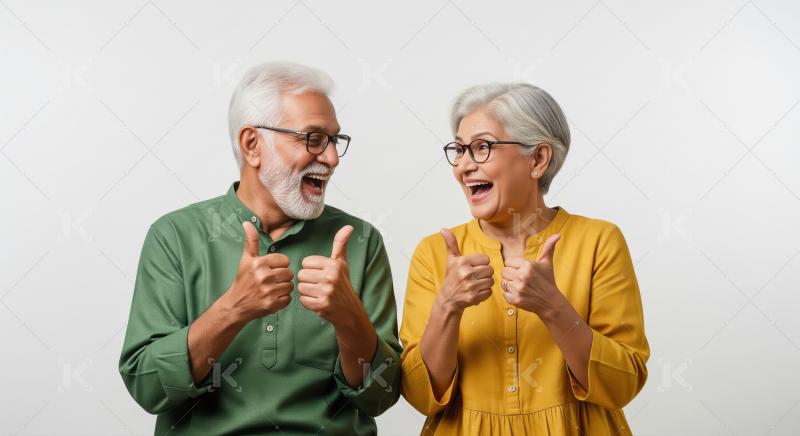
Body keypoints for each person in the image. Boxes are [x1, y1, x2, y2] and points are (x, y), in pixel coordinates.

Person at [119, 62, 401, 435]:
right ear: (253, 145)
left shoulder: (359, 241)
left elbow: (381, 396)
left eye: (335, 140)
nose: (331, 158)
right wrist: (233, 309)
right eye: (314, 138)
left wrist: (349, 319)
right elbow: (147, 387)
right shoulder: (174, 236)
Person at [400, 83, 650, 435]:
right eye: (459, 150)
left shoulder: (599, 241)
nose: (463, 166)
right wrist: (447, 307)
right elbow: (419, 396)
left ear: (538, 159)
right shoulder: (434, 252)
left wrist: (554, 308)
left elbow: (622, 384)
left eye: (482, 147)